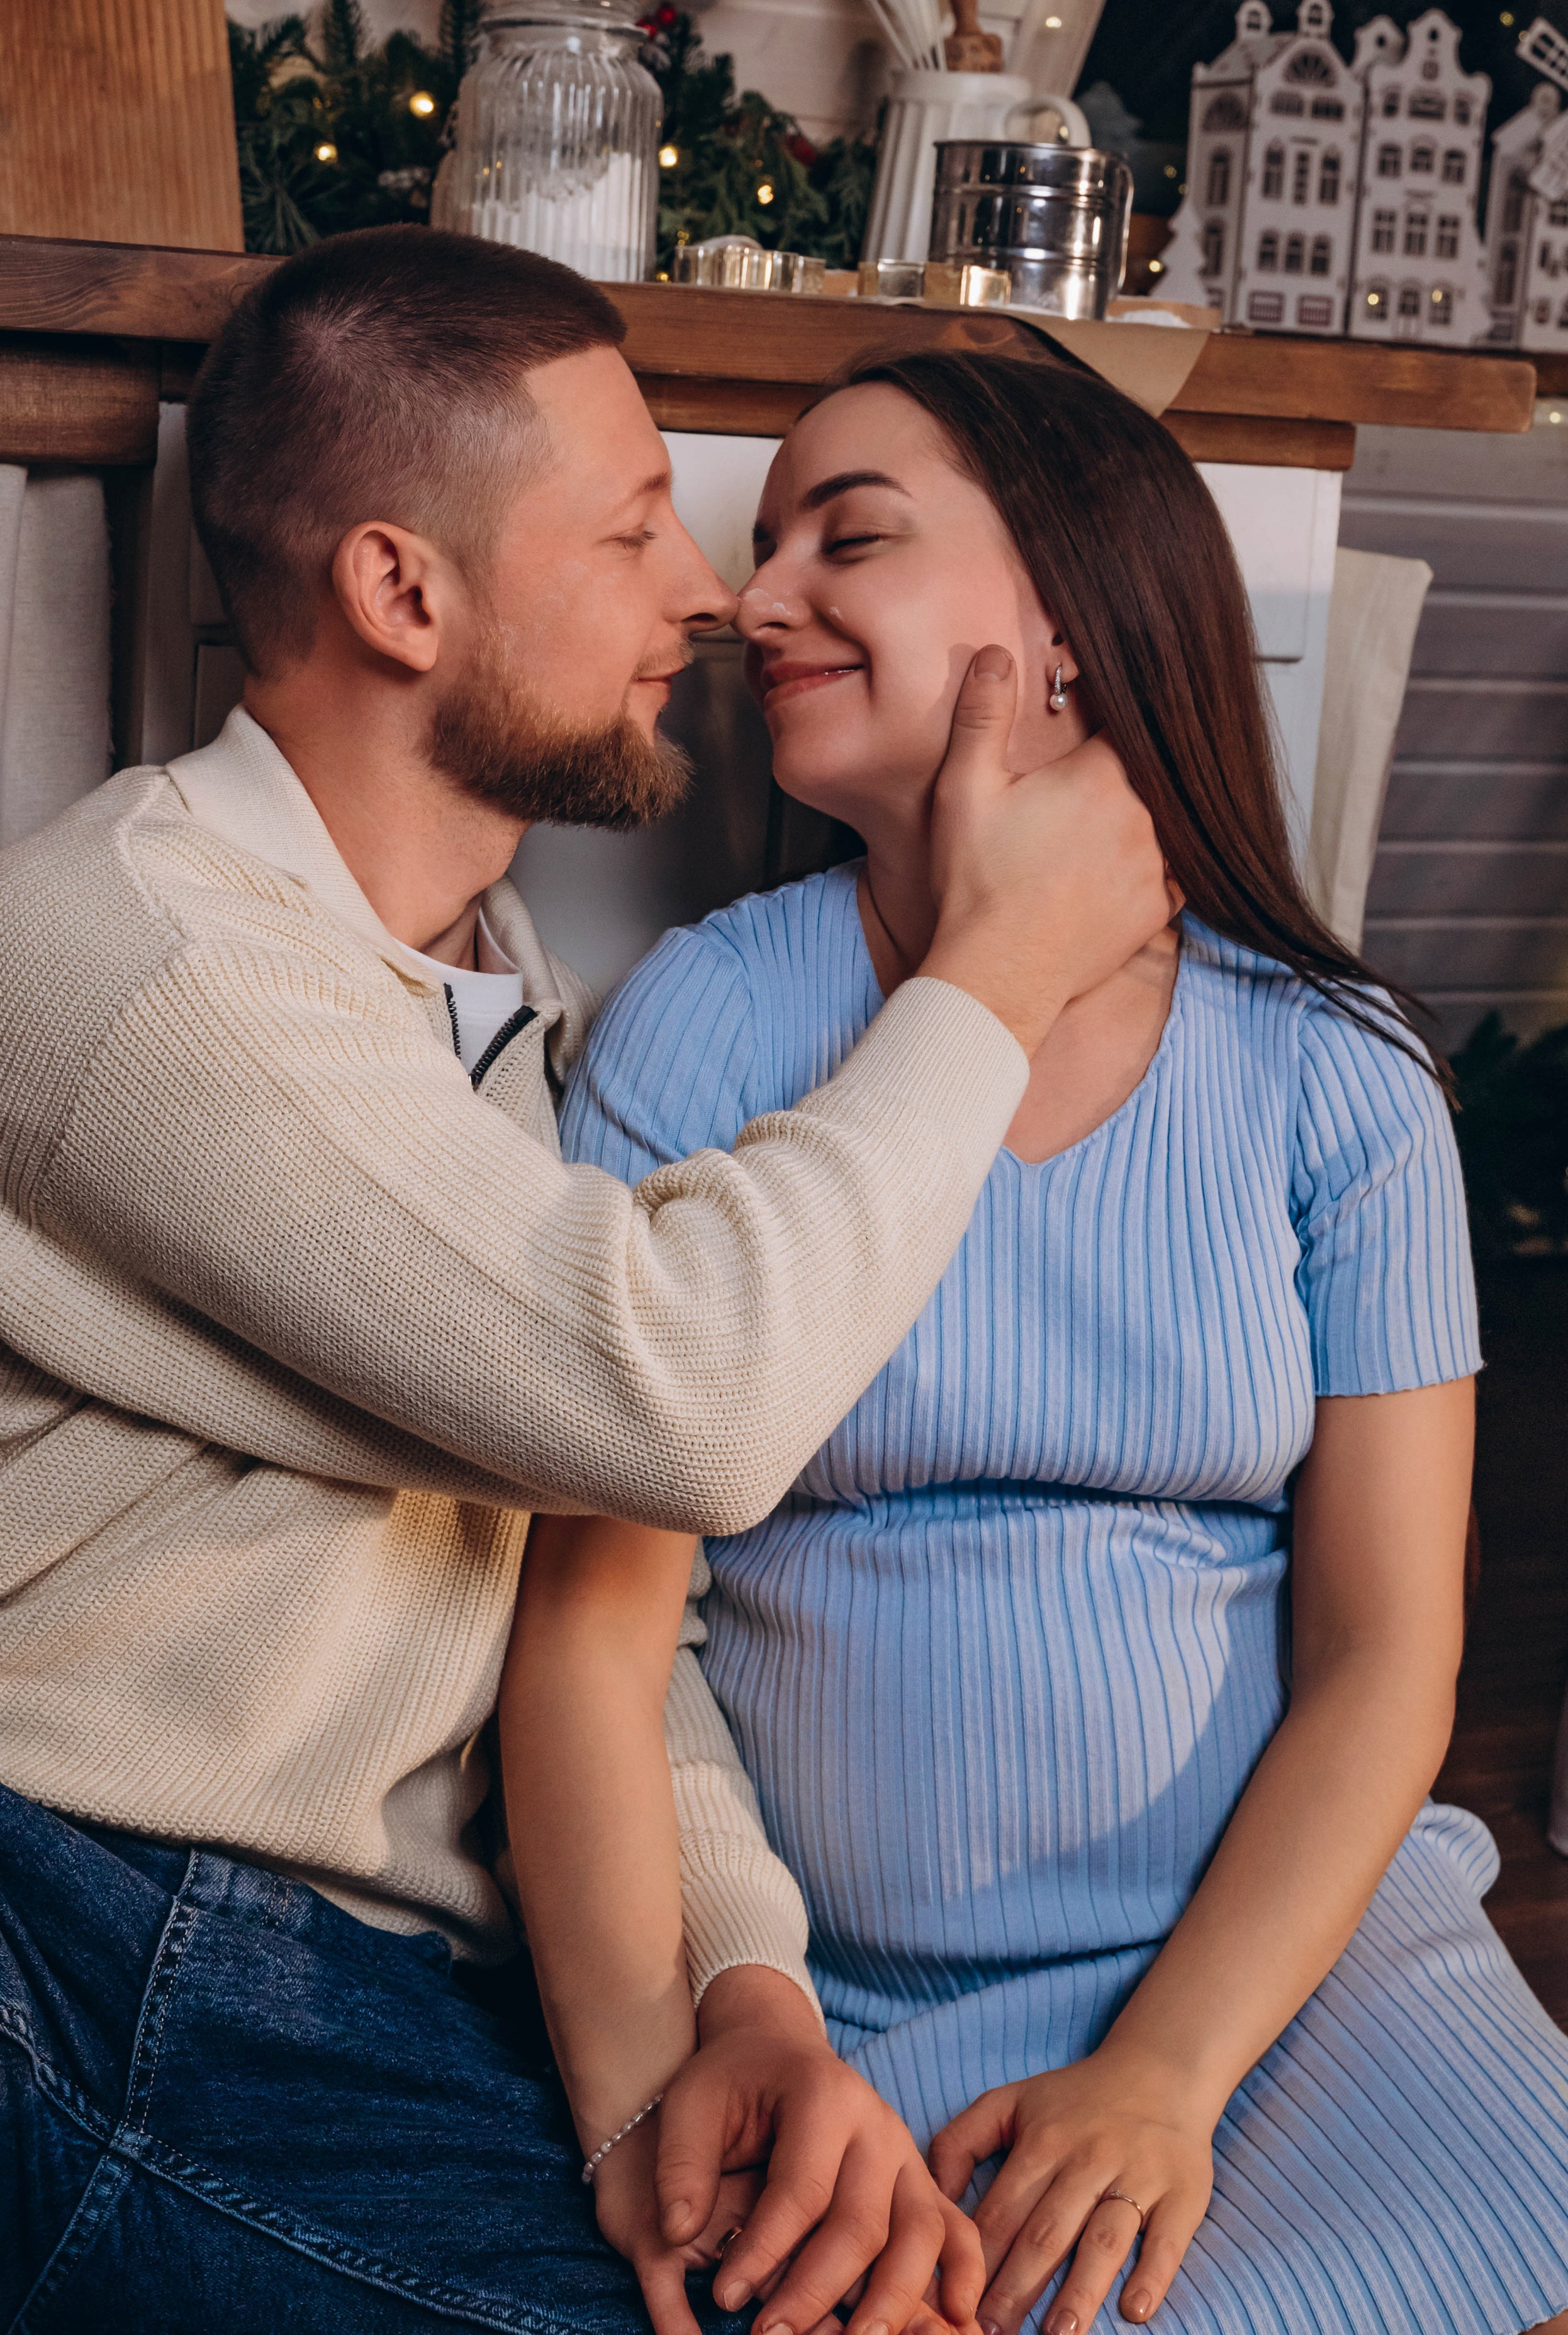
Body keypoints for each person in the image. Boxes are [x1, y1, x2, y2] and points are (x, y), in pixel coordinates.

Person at [0, 238, 1176, 2330]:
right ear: (400, 590)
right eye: (631, 529)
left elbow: (596, 1566)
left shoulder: (500, 1009)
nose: (706, 597)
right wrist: (1001, 966)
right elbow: (685, 1400)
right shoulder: (129, 950)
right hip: (60, 1908)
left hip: (327, 1974)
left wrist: (743, 1989)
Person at [508, 349, 1568, 2335]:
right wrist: (651, 2097)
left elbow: (1386, 1651)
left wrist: (1171, 2071)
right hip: (838, 2011)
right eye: (769, 542)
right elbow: (588, 1635)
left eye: (856, 537)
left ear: (1069, 625)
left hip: (1291, 1965)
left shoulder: (1334, 1074)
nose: (759, 598)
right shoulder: (704, 1024)